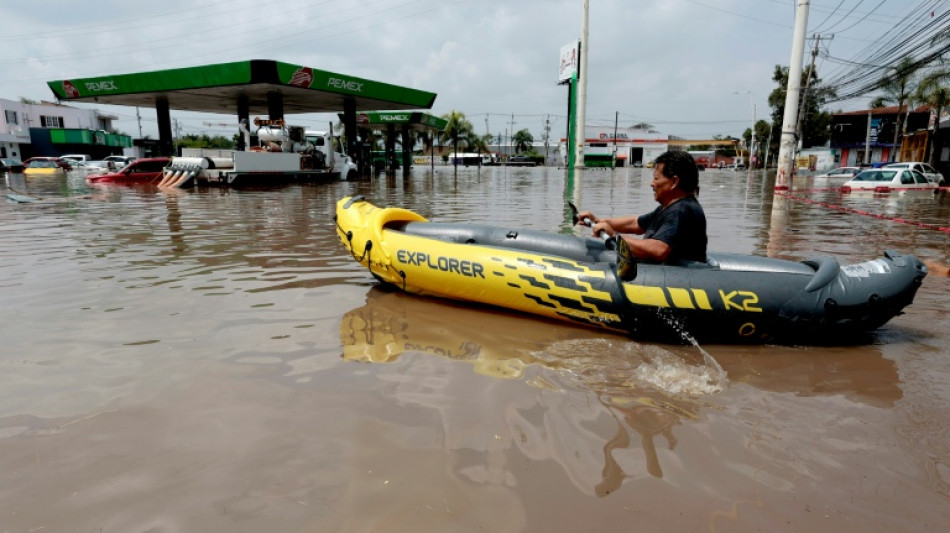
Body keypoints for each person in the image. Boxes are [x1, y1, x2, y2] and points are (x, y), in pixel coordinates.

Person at [578, 150, 707, 265]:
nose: (652, 184)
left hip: (679, 277)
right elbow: (636, 224)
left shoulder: (681, 211)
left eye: (656, 178)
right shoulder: (670, 207)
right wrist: (598, 222)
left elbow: (659, 250)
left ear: (674, 182)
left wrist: (614, 236)